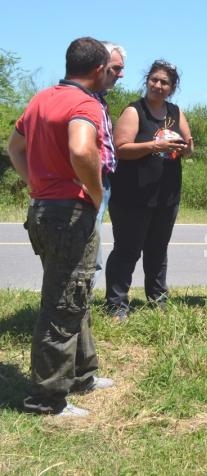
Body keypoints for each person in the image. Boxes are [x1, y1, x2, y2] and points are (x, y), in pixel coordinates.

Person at [6, 37, 115, 417]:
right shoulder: (85, 103)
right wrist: (95, 191)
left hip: (42, 210)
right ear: (99, 69)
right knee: (64, 303)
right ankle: (46, 398)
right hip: (70, 214)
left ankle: (82, 374)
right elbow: (82, 150)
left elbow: (13, 147)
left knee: (73, 292)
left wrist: (36, 183)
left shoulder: (42, 99)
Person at [105, 60, 194, 320]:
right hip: (133, 195)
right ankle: (117, 303)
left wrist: (187, 148)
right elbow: (120, 149)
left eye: (164, 82)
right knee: (128, 250)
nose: (158, 85)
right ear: (147, 81)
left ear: (172, 87)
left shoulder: (175, 112)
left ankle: (157, 299)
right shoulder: (135, 111)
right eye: (154, 80)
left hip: (166, 195)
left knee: (158, 249)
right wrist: (153, 146)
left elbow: (187, 146)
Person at [93, 41, 126, 286]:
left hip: (100, 183)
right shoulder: (82, 100)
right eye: (116, 68)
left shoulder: (99, 100)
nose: (120, 74)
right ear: (99, 66)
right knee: (86, 249)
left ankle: (80, 309)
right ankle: (73, 316)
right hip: (87, 184)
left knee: (91, 245)